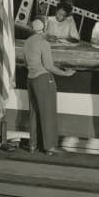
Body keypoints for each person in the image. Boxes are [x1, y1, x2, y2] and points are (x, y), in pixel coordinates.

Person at [24, 17, 75, 155]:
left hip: (31, 79)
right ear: (45, 27)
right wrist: (66, 73)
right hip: (43, 79)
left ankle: (32, 145)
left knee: (34, 113)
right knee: (48, 113)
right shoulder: (44, 42)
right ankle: (50, 146)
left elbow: (26, 62)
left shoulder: (27, 42)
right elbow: (48, 66)